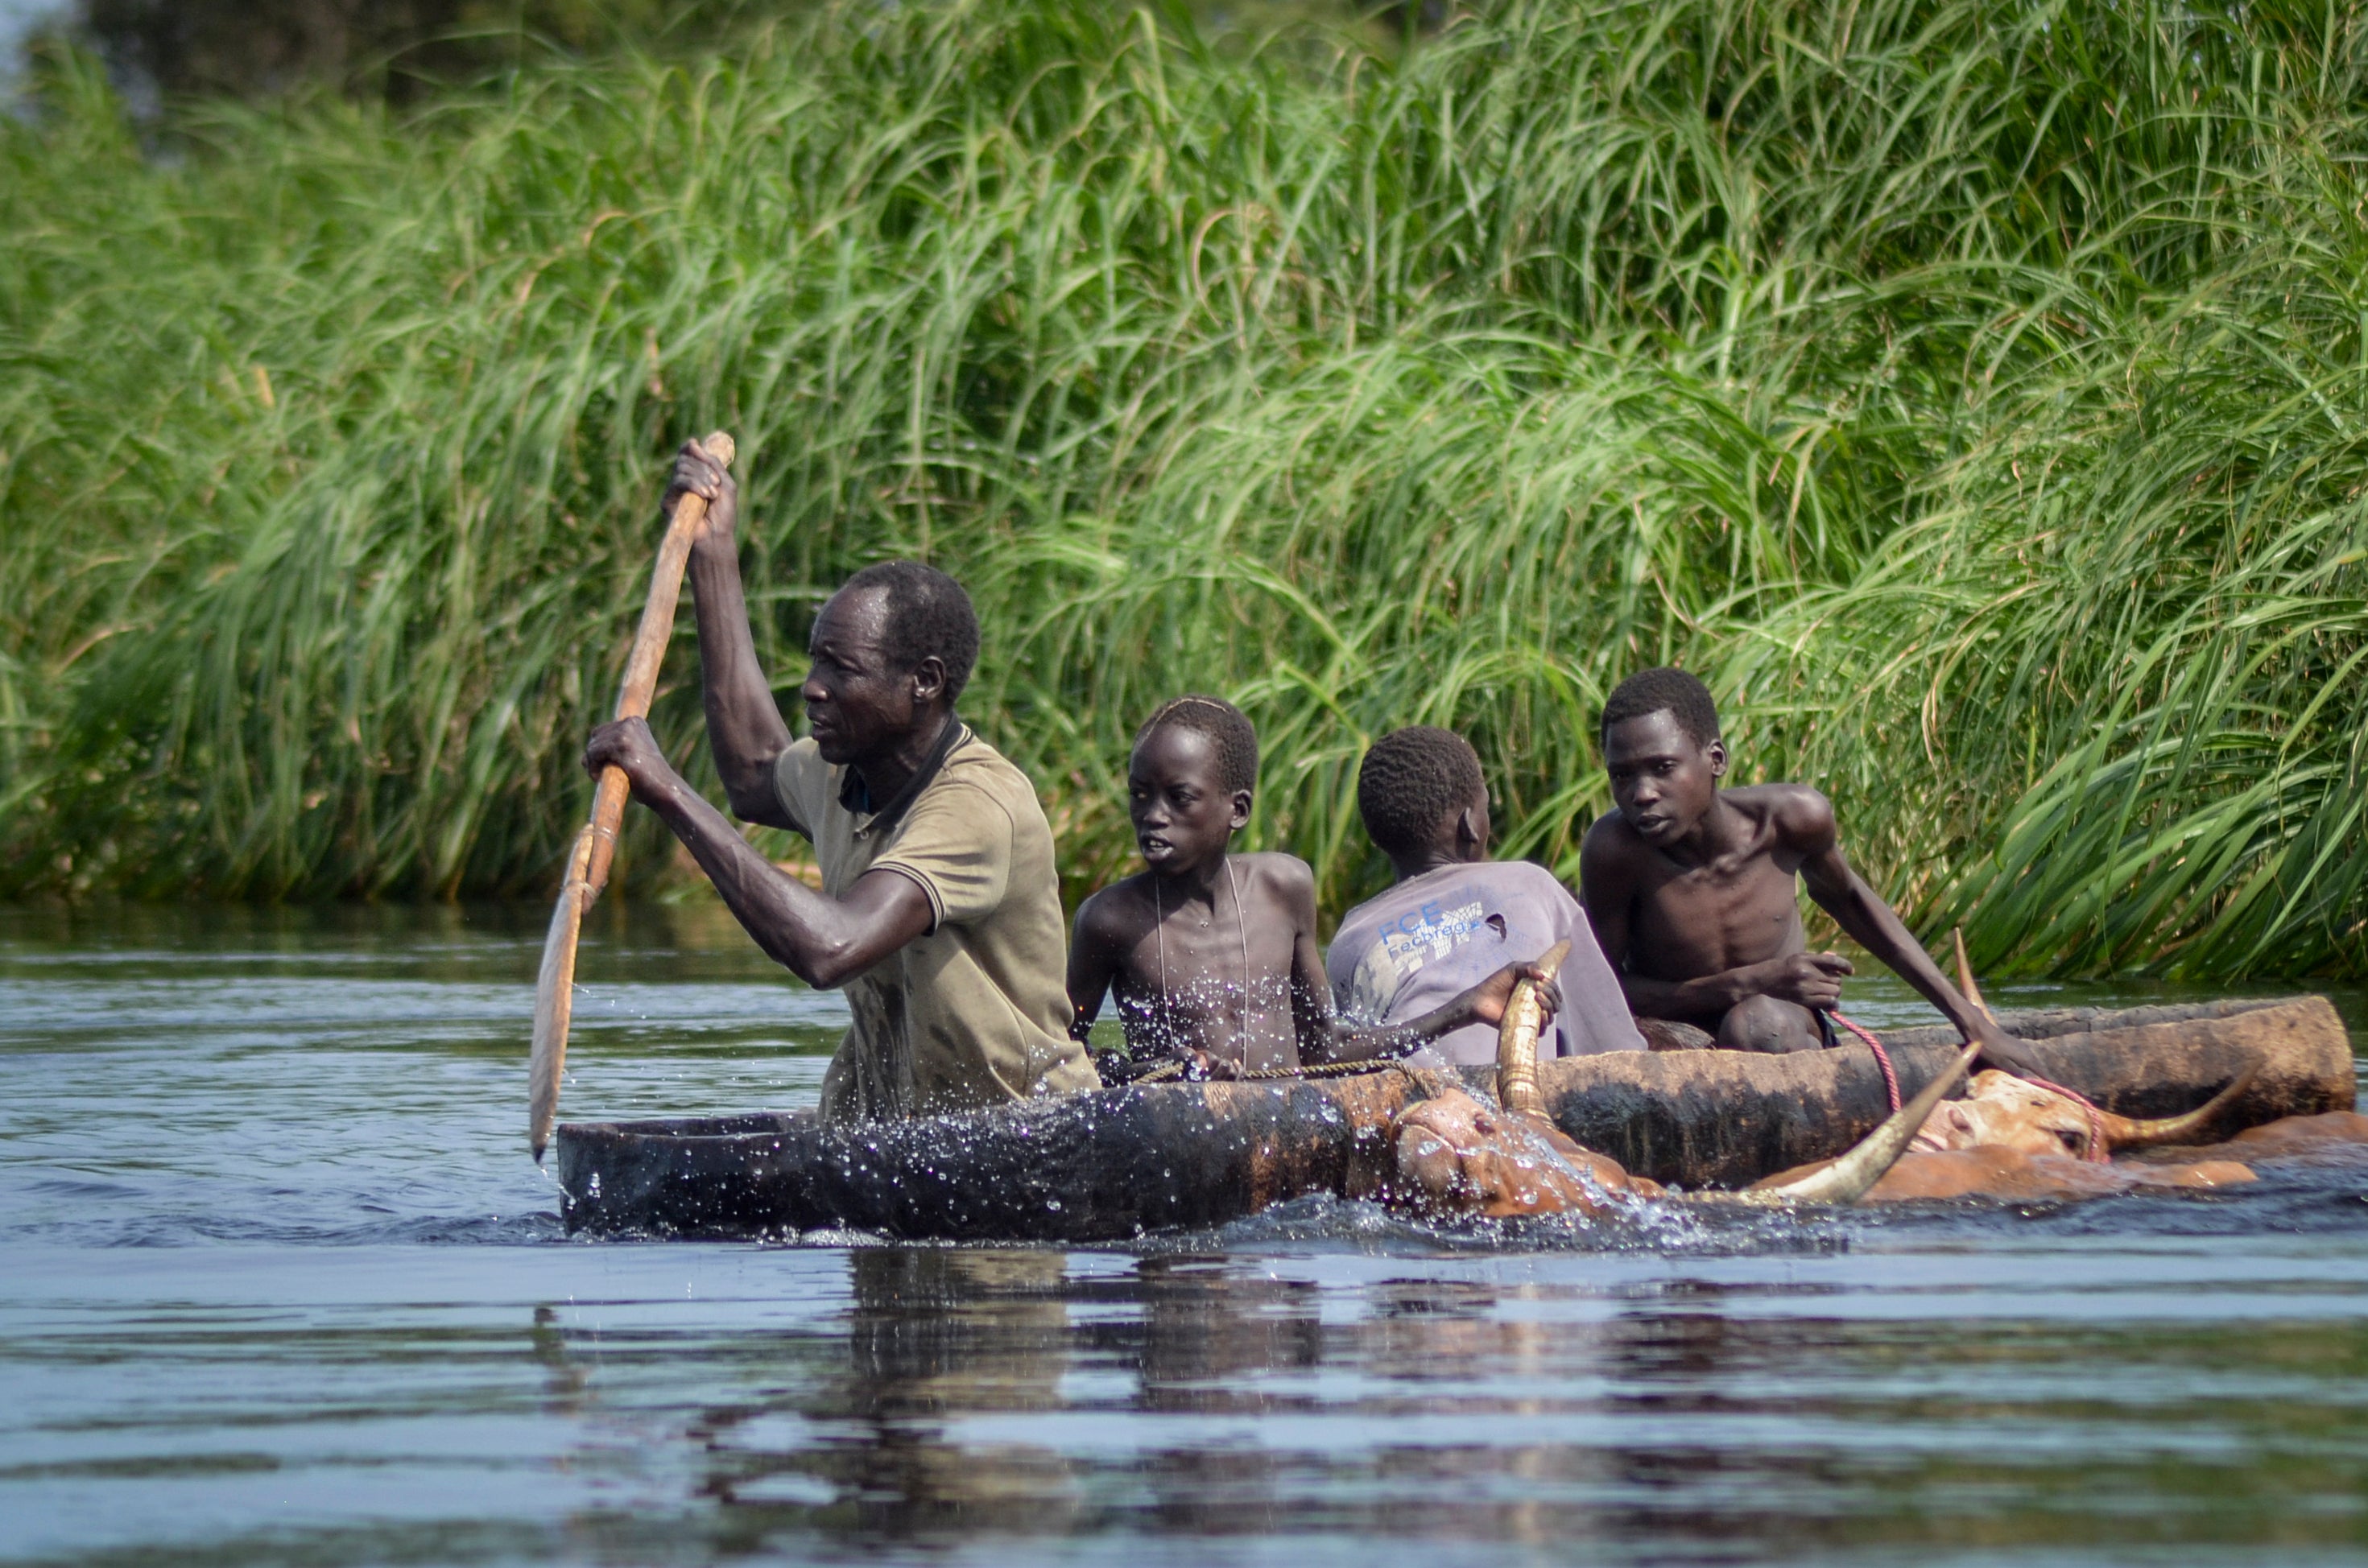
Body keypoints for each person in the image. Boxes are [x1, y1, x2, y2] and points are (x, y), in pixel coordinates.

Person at [582, 439, 1099, 1123]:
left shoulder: (977, 806)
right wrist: (714, 557)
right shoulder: (841, 771)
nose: (811, 689)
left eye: (841, 671)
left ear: (924, 682)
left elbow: (830, 949)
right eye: (814, 663)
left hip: (1025, 1131)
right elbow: (754, 771)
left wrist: (669, 792)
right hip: (889, 1129)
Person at [1577, 666, 2040, 1074]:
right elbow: (1601, 993)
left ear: (1715, 760)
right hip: (1674, 1035)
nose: (1642, 793)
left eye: (1662, 768)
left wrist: (1971, 1022)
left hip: (1781, 1027)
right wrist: (1753, 980)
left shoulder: (1791, 821)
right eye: (1623, 776)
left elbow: (1858, 908)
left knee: (1759, 1023)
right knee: (1732, 1018)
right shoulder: (1615, 852)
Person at [1064, 696, 1557, 1079]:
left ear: (1237, 809)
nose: (1153, 817)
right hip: (1181, 1143)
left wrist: (1465, 1007)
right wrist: (1148, 1072)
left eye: (1179, 798)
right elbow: (1060, 1057)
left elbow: (1326, 1048)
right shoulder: (1110, 920)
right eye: (1140, 795)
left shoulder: (1283, 888)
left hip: (1289, 1131)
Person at [1327, 725, 1643, 1067]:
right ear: (1470, 824)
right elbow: (1614, 1050)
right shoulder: (1530, 884)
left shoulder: (1349, 939)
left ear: (1377, 839)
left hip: (1407, 1101)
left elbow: (1347, 1054)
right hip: (1514, 1100)